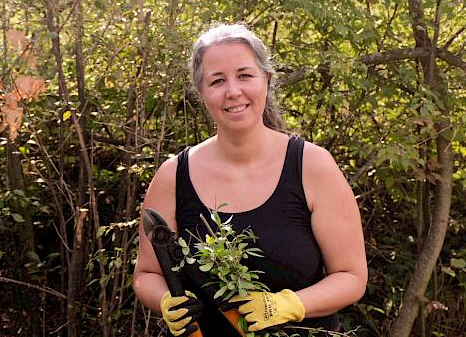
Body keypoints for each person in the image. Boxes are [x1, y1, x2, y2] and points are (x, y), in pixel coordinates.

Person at [133, 23, 367, 336]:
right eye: (217, 80)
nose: (233, 91)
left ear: (266, 80)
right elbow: (147, 274)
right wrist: (164, 299)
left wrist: (288, 304)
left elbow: (351, 277)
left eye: (244, 75)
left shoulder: (313, 166)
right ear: (201, 92)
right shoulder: (173, 176)